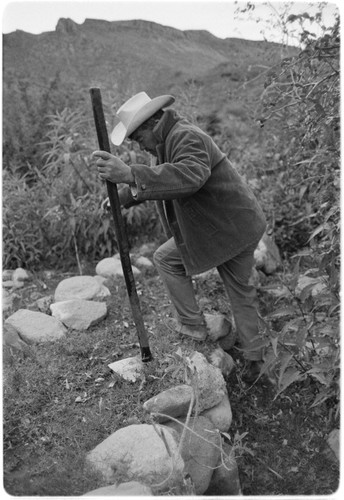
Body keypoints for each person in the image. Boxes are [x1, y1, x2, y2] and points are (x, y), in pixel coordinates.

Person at [93, 91, 267, 383]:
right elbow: (167, 175)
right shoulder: (170, 138)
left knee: (240, 294)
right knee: (169, 259)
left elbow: (189, 176)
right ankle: (196, 327)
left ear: (150, 125)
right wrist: (124, 195)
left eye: (139, 140)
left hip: (231, 229)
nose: (142, 148)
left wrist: (129, 174)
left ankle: (256, 363)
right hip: (220, 227)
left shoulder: (186, 136)